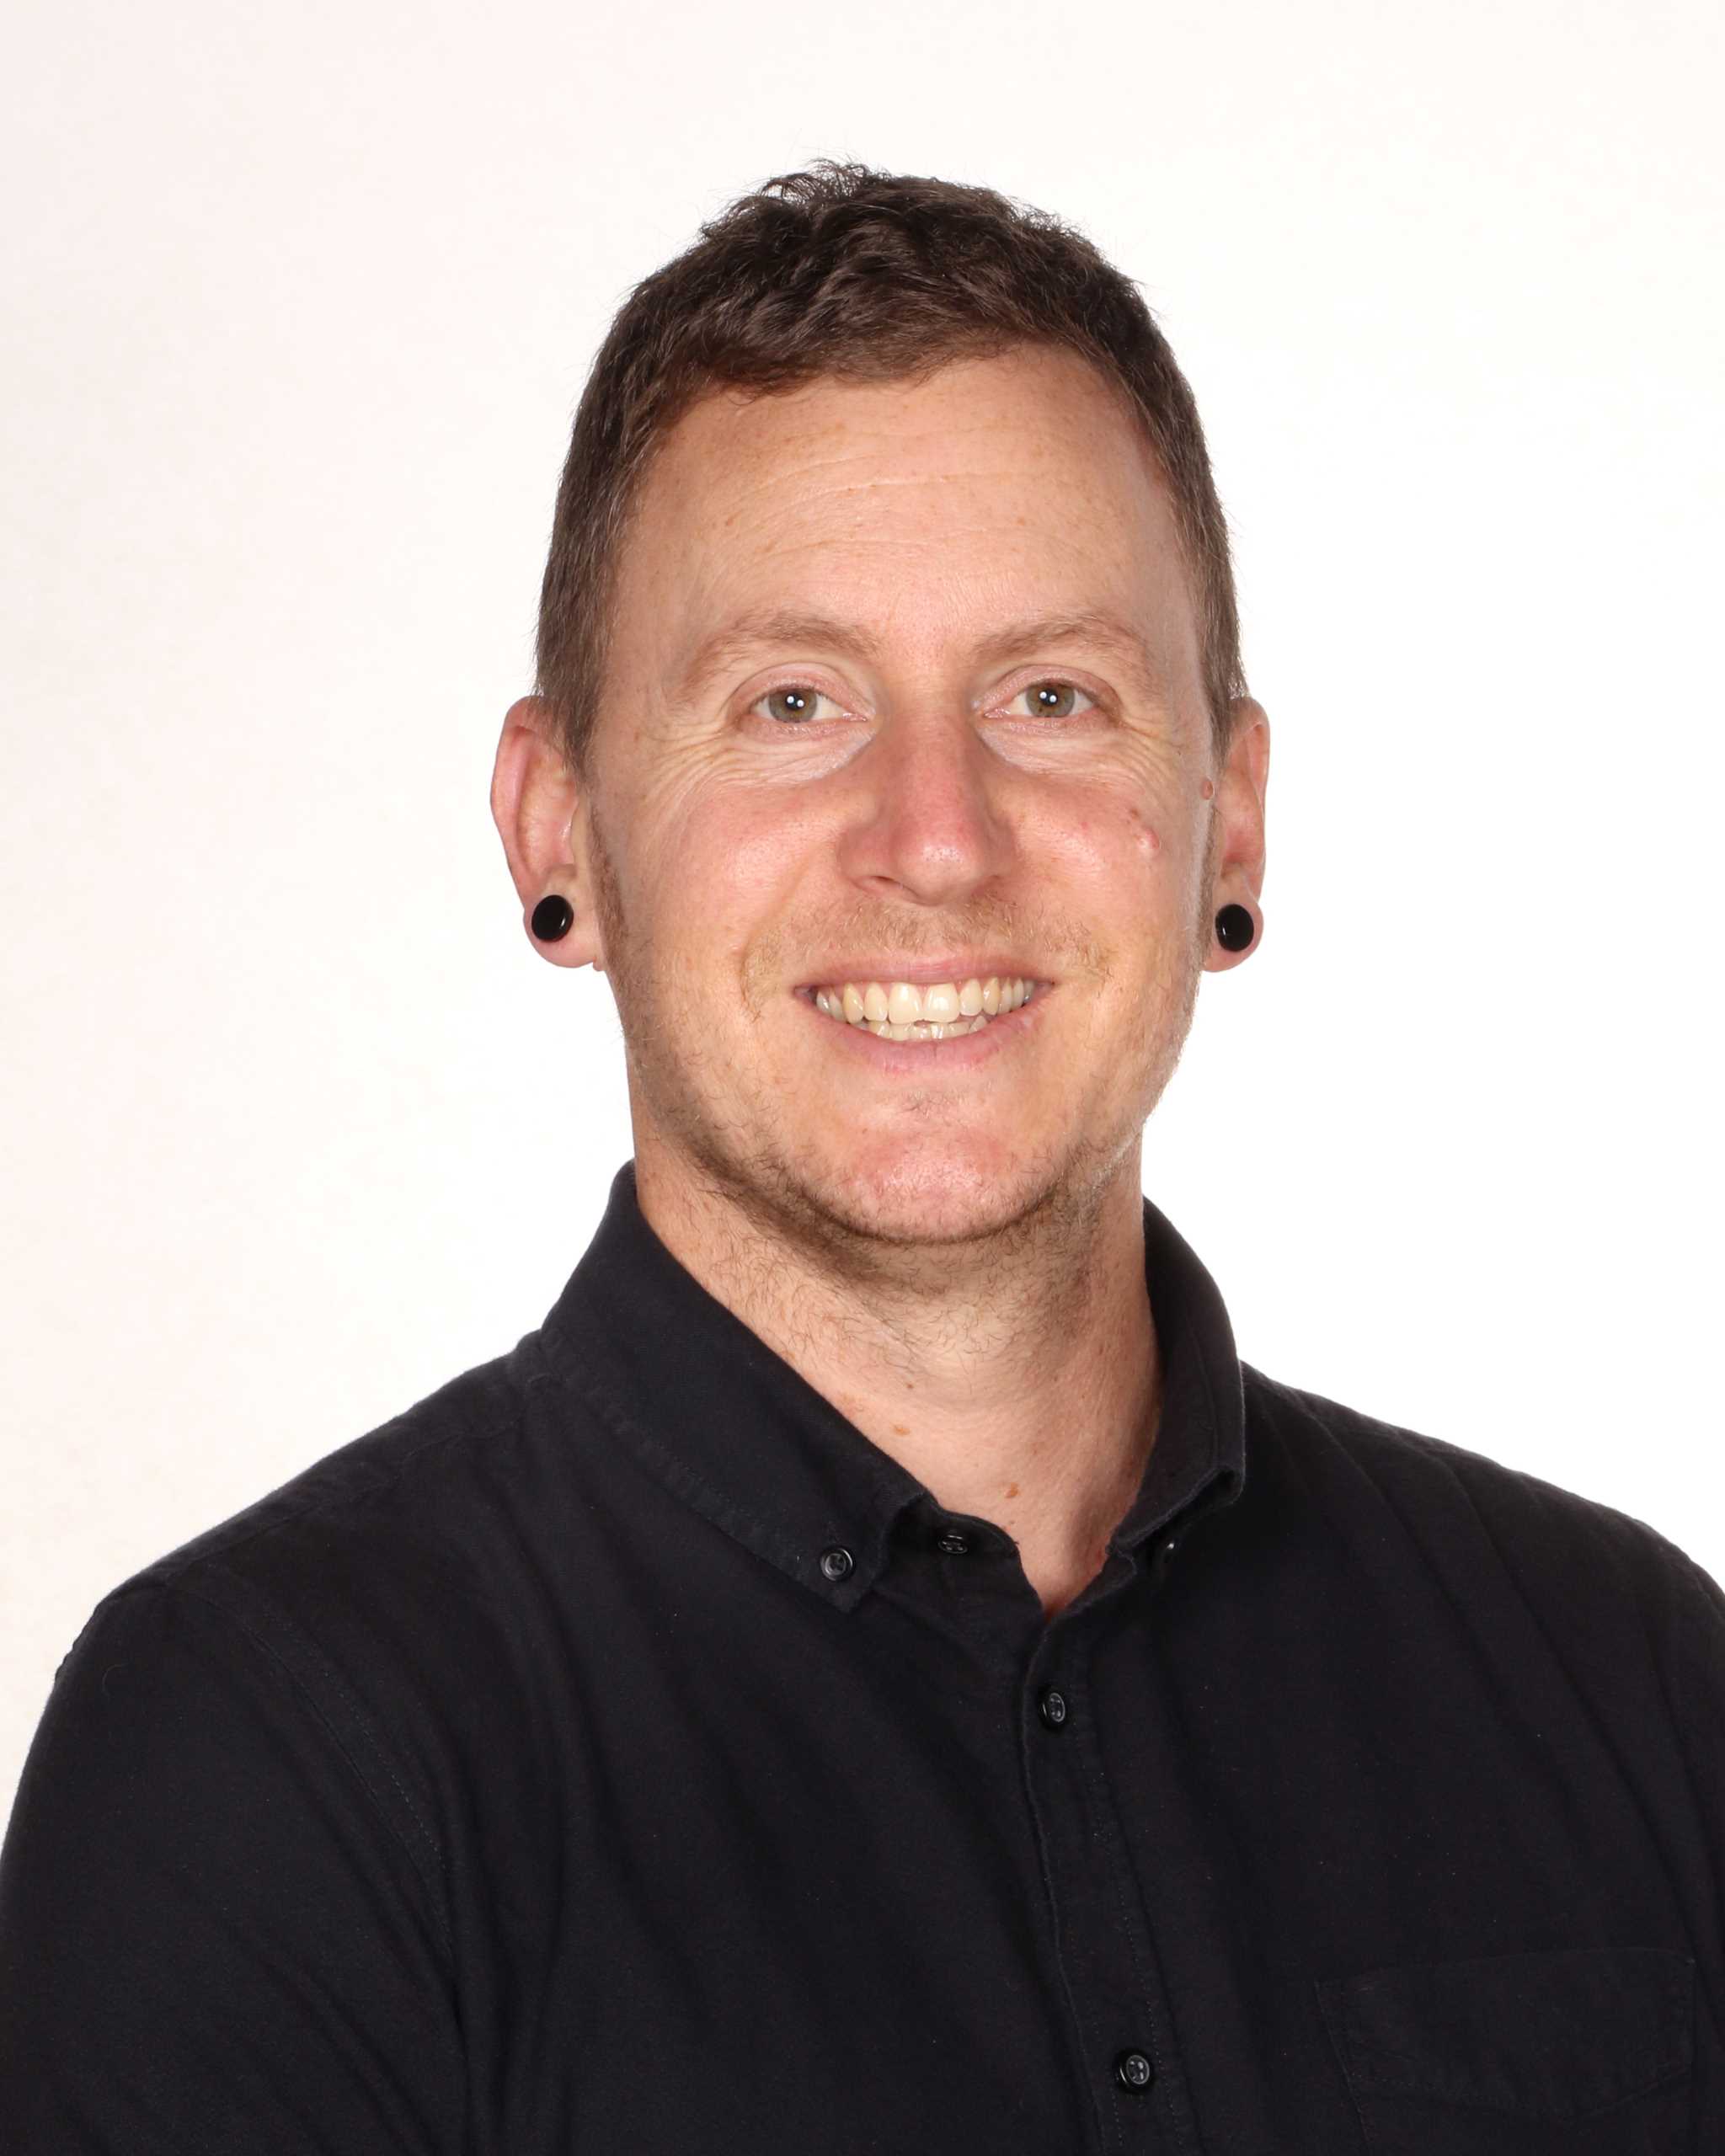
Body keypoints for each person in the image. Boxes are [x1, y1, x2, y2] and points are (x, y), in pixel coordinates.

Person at [2, 160, 1720, 2153]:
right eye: (792, 702)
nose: (935, 835)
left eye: (1051, 695)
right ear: (557, 830)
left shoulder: (1631, 1680)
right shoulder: (258, 1766)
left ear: (1228, 825)